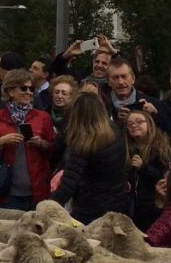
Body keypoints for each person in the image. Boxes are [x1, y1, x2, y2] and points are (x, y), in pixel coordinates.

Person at [0, 69, 56, 209]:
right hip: (7, 191)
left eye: (32, 88)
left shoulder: (43, 117)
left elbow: (54, 150)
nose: (29, 92)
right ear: (10, 91)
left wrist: (42, 143)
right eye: (24, 88)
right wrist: (1, 142)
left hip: (38, 190)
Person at [50, 92, 128, 222]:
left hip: (89, 207)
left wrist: (49, 207)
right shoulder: (115, 133)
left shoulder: (83, 142)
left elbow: (69, 184)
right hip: (116, 203)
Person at [125, 110, 171, 232]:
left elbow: (163, 177)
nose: (134, 125)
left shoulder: (160, 148)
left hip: (153, 203)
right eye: (130, 124)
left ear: (149, 124)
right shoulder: (126, 149)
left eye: (139, 122)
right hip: (131, 205)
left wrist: (143, 168)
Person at [104, 58, 168, 134]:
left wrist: (154, 117)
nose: (120, 82)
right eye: (115, 78)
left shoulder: (154, 104)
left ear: (133, 79)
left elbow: (169, 135)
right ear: (108, 82)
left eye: (124, 76)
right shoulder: (102, 107)